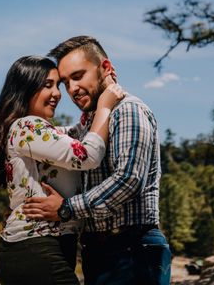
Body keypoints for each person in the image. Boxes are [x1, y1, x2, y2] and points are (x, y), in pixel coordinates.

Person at [23, 36, 172, 285]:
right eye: (65, 82)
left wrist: (65, 208)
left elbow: (128, 179)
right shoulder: (90, 125)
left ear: (105, 68)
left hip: (131, 250)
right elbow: (55, 146)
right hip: (100, 251)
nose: (71, 89)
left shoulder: (128, 110)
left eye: (78, 76)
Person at [0, 55, 124, 285]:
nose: (58, 93)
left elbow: (82, 132)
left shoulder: (44, 132)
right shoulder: (27, 126)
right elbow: (87, 154)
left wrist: (101, 90)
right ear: (26, 87)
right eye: (48, 85)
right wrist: (106, 107)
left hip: (42, 247)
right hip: (34, 248)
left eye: (58, 85)